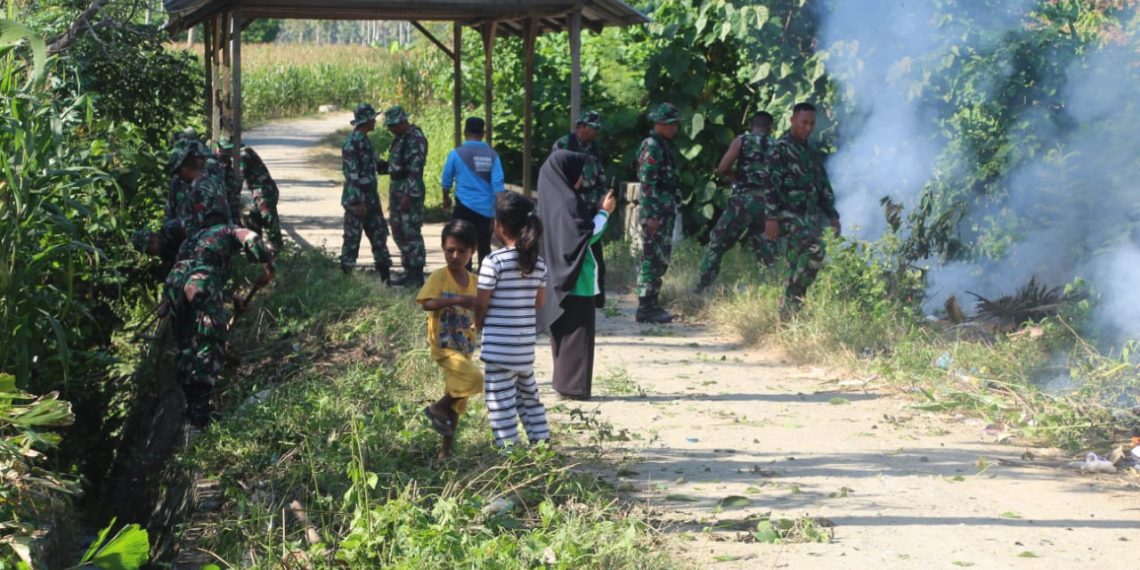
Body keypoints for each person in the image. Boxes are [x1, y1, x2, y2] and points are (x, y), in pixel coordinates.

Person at [158, 184, 275, 428]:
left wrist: (232, 298)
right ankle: (201, 416)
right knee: (208, 343)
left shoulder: (192, 239)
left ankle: (190, 409)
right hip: (200, 282)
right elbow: (253, 242)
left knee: (186, 344)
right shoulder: (228, 229)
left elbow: (197, 274)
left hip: (174, 283)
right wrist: (268, 264)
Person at [536, 151, 617, 401]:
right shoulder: (569, 203)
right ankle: (575, 388)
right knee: (579, 336)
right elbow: (585, 236)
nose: (581, 178)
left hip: (555, 278)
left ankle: (563, 383)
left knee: (562, 334)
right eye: (578, 172)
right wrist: (604, 212)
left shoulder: (550, 200)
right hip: (577, 279)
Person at [475, 192, 550, 447]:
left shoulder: (493, 262)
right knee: (529, 398)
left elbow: (481, 303)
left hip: (499, 348)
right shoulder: (538, 264)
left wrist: (478, 323)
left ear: (500, 226)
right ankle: (542, 446)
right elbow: (538, 303)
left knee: (500, 403)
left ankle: (509, 454)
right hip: (524, 348)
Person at [764, 102, 841, 312]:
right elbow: (770, 184)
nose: (808, 128)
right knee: (815, 250)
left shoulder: (811, 151)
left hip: (809, 215)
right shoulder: (779, 149)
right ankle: (794, 300)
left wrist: (833, 215)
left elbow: (823, 185)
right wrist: (771, 218)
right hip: (787, 214)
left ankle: (789, 312)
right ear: (792, 121)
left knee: (796, 261)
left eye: (812, 124)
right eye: (804, 122)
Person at [417, 220, 483, 460]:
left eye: (461, 251)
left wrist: (480, 319)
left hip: (465, 346)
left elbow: (481, 308)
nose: (455, 256)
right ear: (443, 248)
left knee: (457, 400)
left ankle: (445, 451)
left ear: (472, 251)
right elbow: (427, 303)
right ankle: (437, 407)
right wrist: (455, 300)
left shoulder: (475, 281)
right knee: (475, 378)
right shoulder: (439, 276)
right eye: (449, 250)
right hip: (444, 345)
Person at [695, 111, 777, 293]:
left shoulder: (742, 140)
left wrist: (734, 179)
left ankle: (703, 287)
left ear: (750, 126)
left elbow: (722, 168)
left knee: (717, 242)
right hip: (767, 204)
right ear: (770, 128)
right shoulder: (778, 145)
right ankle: (772, 291)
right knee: (766, 250)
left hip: (743, 200)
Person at [552, 110, 609, 308]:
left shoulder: (595, 148)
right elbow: (556, 174)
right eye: (592, 128)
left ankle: (596, 298)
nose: (595, 132)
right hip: (571, 207)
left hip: (592, 205)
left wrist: (604, 197)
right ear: (581, 127)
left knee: (595, 253)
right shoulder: (563, 145)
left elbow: (601, 174)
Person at [635, 102, 683, 324]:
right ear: (660, 124)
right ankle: (646, 307)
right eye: (672, 124)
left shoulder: (661, 145)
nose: (675, 129)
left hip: (663, 211)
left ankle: (651, 303)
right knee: (651, 259)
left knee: (659, 258)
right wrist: (652, 215)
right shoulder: (652, 146)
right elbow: (647, 184)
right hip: (656, 214)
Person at [339, 103, 393, 282]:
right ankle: (345, 278)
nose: (375, 122)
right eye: (373, 119)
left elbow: (374, 165)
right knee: (352, 240)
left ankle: (386, 278)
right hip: (358, 201)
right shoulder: (351, 144)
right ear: (366, 121)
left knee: (379, 236)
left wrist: (397, 167)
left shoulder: (365, 141)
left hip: (371, 199)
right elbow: (352, 174)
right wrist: (358, 201)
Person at [441, 117, 504, 267]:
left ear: (465, 132)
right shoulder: (492, 155)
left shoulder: (456, 154)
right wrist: (499, 213)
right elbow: (498, 185)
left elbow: (446, 180)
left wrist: (446, 198)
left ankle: (464, 281)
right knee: (484, 247)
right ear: (483, 133)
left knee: (462, 246)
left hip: (463, 209)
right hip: (485, 211)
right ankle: (485, 283)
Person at [382, 105, 429, 287]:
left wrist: (409, 195)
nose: (391, 129)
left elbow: (415, 169)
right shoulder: (401, 138)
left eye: (394, 125)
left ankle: (416, 274)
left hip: (409, 190)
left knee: (411, 231)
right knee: (398, 231)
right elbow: (398, 165)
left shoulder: (415, 138)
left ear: (403, 121)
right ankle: (408, 270)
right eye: (389, 126)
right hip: (397, 188)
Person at [217, 137, 283, 249]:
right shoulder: (243, 152)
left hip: (263, 189)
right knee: (253, 218)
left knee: (267, 217)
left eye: (226, 150)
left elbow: (238, 178)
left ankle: (276, 246)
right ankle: (257, 248)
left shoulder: (243, 154)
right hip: (258, 190)